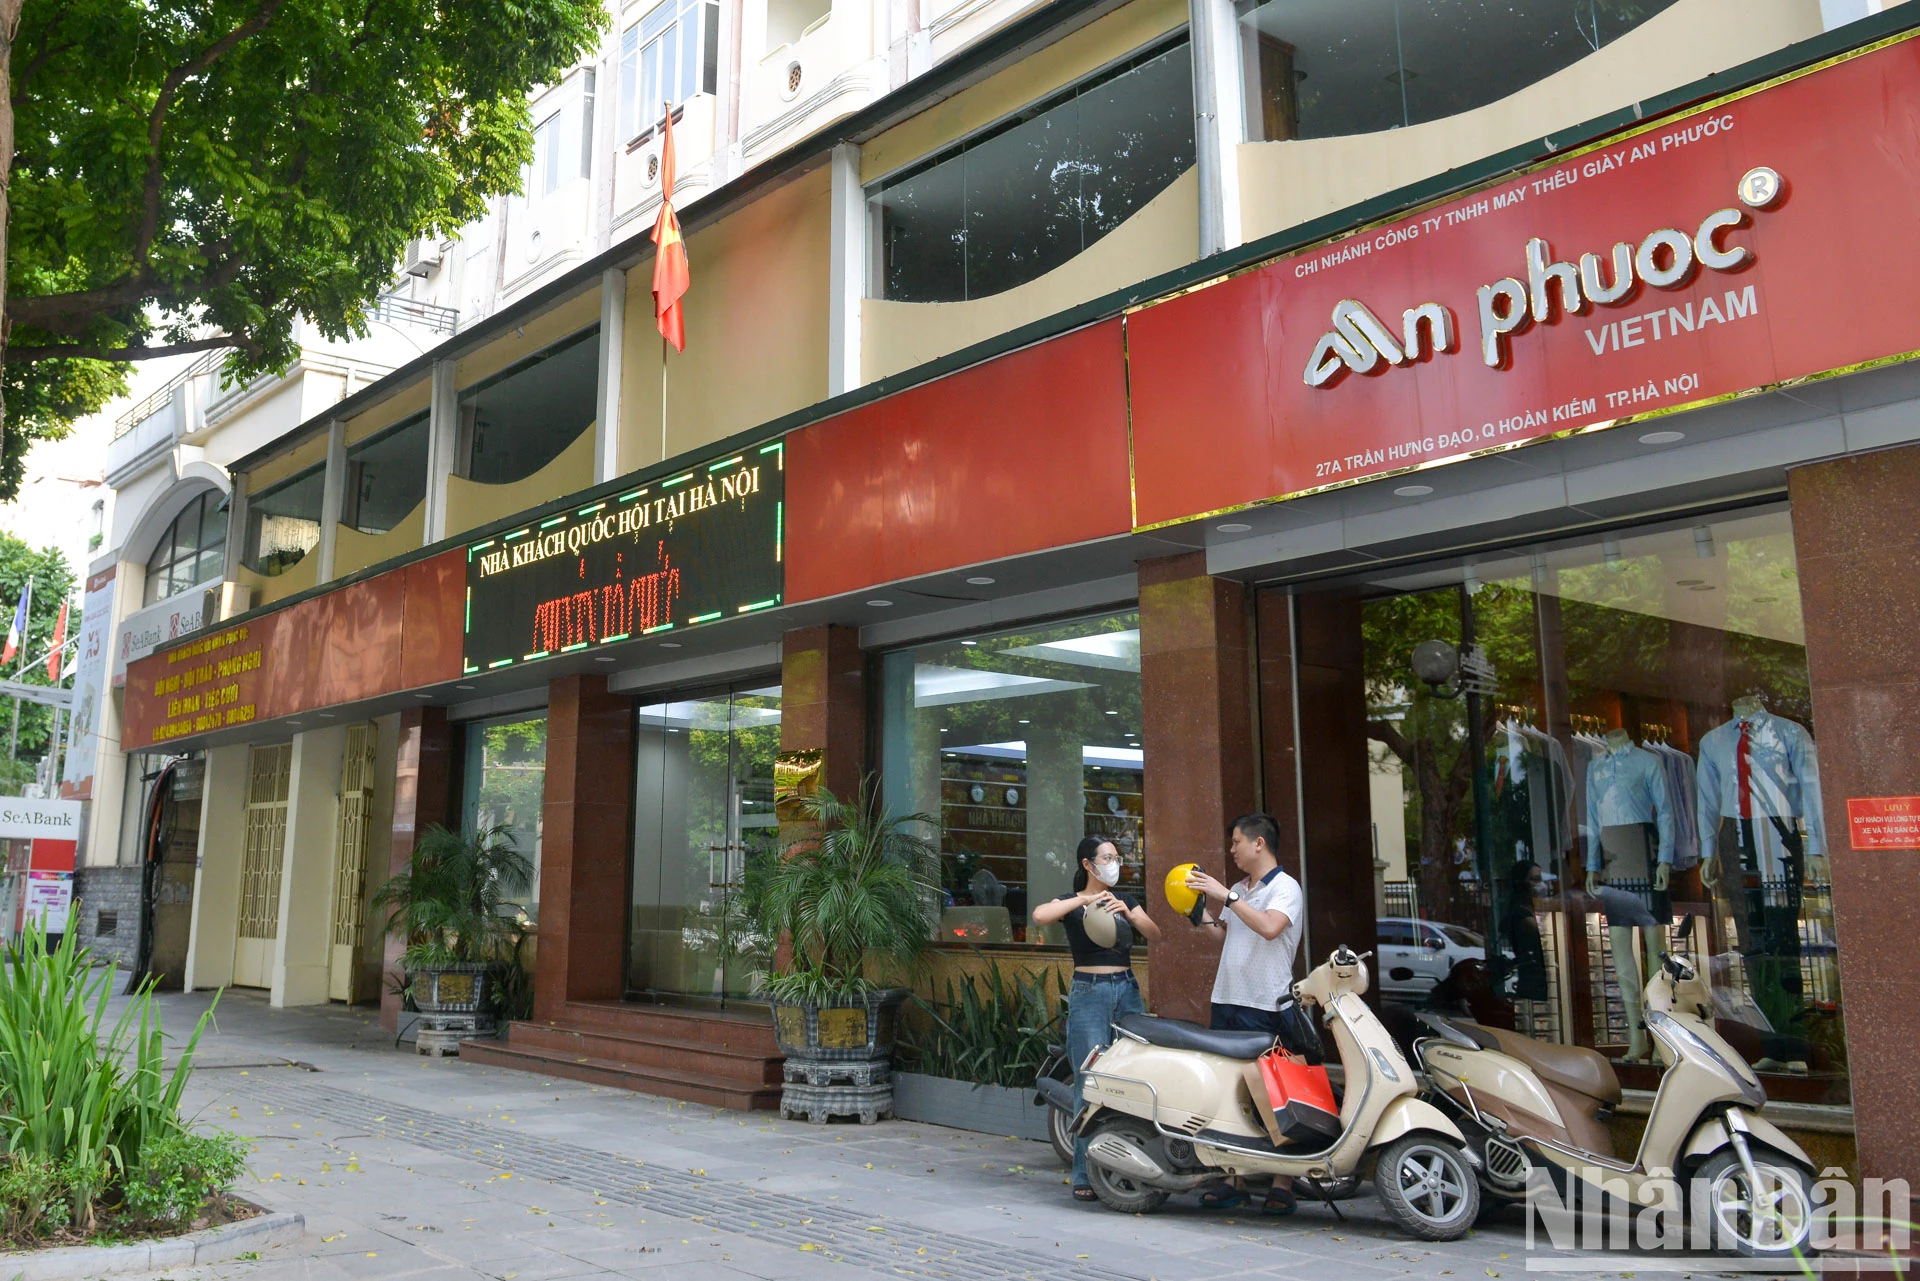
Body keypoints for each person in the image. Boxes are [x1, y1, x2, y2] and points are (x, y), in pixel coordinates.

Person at [1184, 812, 1305, 1214]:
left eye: (1236, 842)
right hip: (1228, 999)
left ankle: (1282, 1182)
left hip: (1266, 1003)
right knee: (1229, 1090)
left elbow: (1270, 928)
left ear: (1259, 844)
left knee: (1275, 1092)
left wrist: (1228, 897)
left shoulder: (1286, 888)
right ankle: (1232, 1177)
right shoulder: (1238, 887)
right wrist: (1199, 913)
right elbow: (1227, 935)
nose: (1231, 849)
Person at [1031, 835, 1161, 1203]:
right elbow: (1040, 915)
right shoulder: (1074, 902)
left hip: (1126, 988)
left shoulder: (1126, 900)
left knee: (1133, 1075)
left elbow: (1156, 934)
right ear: (1088, 864)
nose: (1114, 864)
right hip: (1090, 990)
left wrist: (1129, 912)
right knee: (1088, 1080)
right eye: (1107, 858)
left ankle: (1129, 1160)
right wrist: (1085, 900)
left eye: (1117, 858)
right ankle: (1082, 1173)